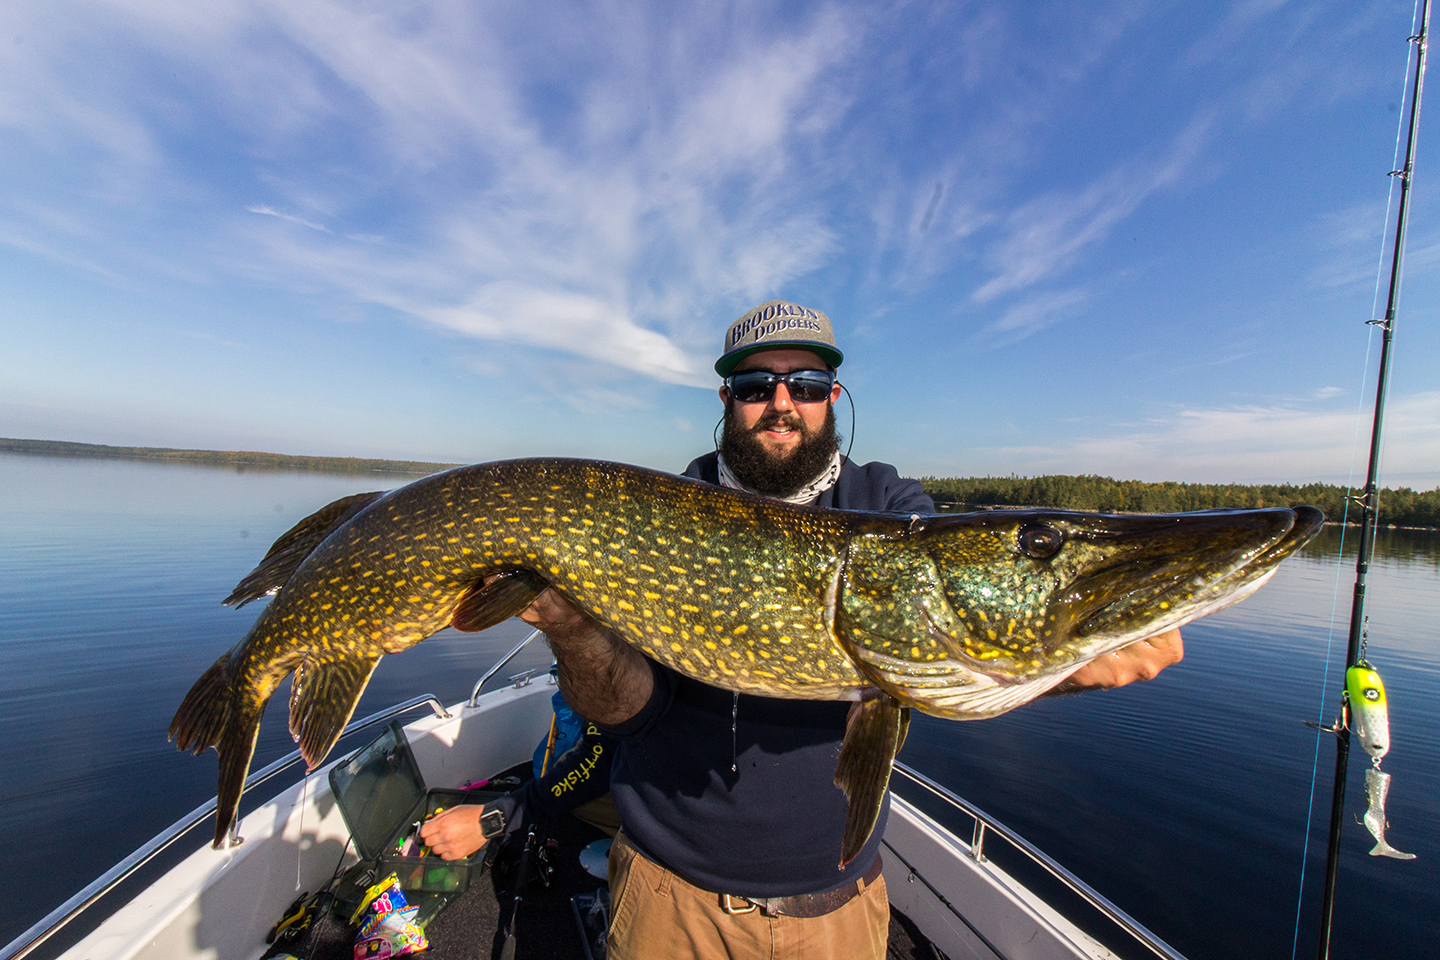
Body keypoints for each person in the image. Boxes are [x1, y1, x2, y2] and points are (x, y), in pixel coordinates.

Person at [421, 300, 1184, 959]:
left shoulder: (889, 507)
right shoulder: (668, 509)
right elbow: (627, 715)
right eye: (757, 385)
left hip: (834, 908)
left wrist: (1058, 656)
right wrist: (567, 625)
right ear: (728, 399)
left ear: (833, 396)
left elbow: (941, 621)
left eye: (807, 383)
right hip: (666, 895)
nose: (781, 401)